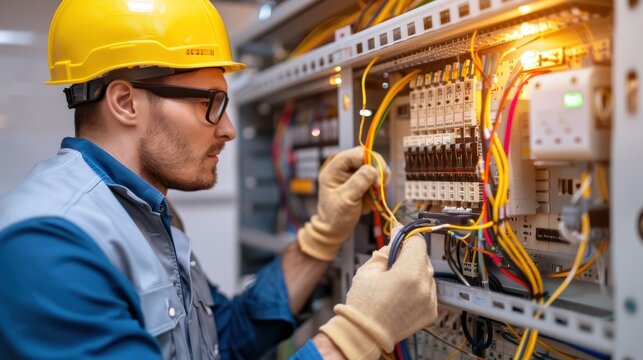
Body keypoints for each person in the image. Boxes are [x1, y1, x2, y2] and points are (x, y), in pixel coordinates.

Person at [0, 1, 438, 359]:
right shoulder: (46, 245)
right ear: (125, 102)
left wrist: (322, 236)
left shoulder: (147, 212)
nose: (228, 128)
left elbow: (222, 339)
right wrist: (355, 338)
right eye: (211, 103)